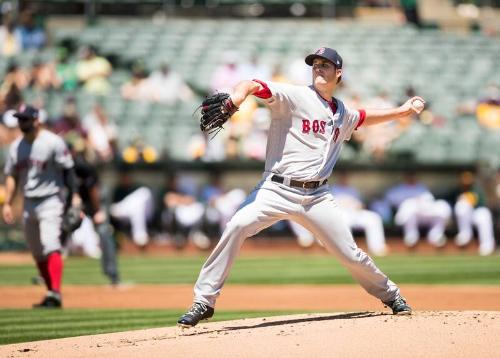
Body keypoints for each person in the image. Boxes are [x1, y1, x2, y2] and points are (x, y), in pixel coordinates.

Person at [177, 46, 424, 327]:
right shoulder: (294, 96)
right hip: (277, 189)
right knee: (236, 225)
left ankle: (392, 296)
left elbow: (364, 117)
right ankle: (203, 301)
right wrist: (237, 96)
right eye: (315, 64)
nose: (319, 68)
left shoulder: (342, 112)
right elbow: (252, 84)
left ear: (338, 74)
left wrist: (403, 111)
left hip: (318, 196)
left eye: (326, 65)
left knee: (350, 254)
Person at [2, 105, 80, 308]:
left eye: (25, 119)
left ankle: (55, 292)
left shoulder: (52, 142)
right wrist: (7, 203)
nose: (21, 123)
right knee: (37, 251)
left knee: (50, 244)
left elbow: (69, 171)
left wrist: (73, 198)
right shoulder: (16, 147)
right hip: (29, 202)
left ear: (36, 120)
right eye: (19, 119)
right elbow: (12, 175)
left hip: (51, 200)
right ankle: (50, 292)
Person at [70, 139, 121, 284]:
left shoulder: (84, 166)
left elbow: (94, 190)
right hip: (77, 202)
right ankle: (47, 275)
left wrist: (98, 210)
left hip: (95, 201)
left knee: (104, 232)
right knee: (59, 233)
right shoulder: (63, 166)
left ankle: (113, 275)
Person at [381, 173, 451, 248]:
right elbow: (388, 201)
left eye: (413, 176)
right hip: (410, 216)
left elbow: (430, 200)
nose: (411, 178)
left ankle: (436, 236)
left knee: (442, 206)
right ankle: (411, 238)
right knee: (409, 207)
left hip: (425, 212)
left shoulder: (421, 188)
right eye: (409, 176)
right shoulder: (398, 190)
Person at [451, 171, 495, 256]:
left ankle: (487, 245)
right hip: (464, 217)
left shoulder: (477, 189)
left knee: (484, 215)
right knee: (462, 205)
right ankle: (465, 234)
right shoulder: (457, 190)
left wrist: (471, 200)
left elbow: (482, 203)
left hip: (476, 212)